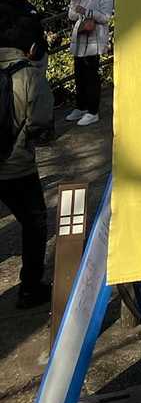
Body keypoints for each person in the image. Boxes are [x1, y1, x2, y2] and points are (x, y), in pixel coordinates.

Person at [0, 39, 54, 308]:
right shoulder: (29, 75)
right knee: (34, 223)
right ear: (29, 48)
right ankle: (30, 288)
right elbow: (41, 123)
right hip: (17, 166)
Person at [67, 0, 113, 128]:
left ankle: (93, 111)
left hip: (94, 41)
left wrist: (87, 12)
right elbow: (72, 16)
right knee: (79, 74)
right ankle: (81, 107)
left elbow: (106, 17)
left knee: (91, 76)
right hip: (80, 39)